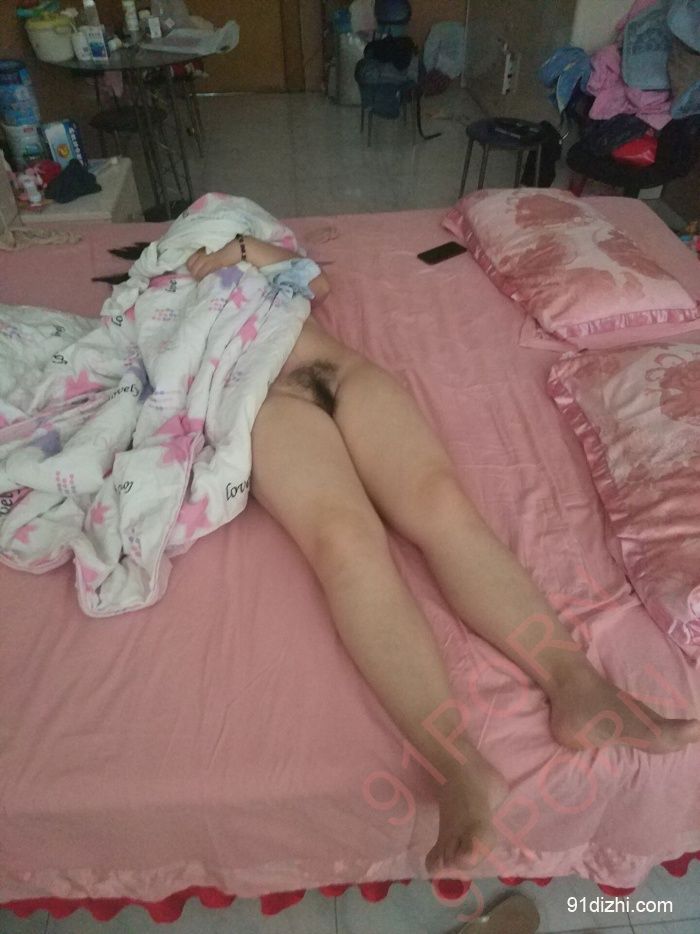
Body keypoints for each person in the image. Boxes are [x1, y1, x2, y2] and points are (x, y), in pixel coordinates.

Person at [186, 234, 700, 874]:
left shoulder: (257, 261)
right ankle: (460, 766)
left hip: (344, 375)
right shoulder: (154, 300)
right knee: (345, 545)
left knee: (439, 502)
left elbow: (315, 284)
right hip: (264, 408)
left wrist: (240, 248)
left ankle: (580, 688)